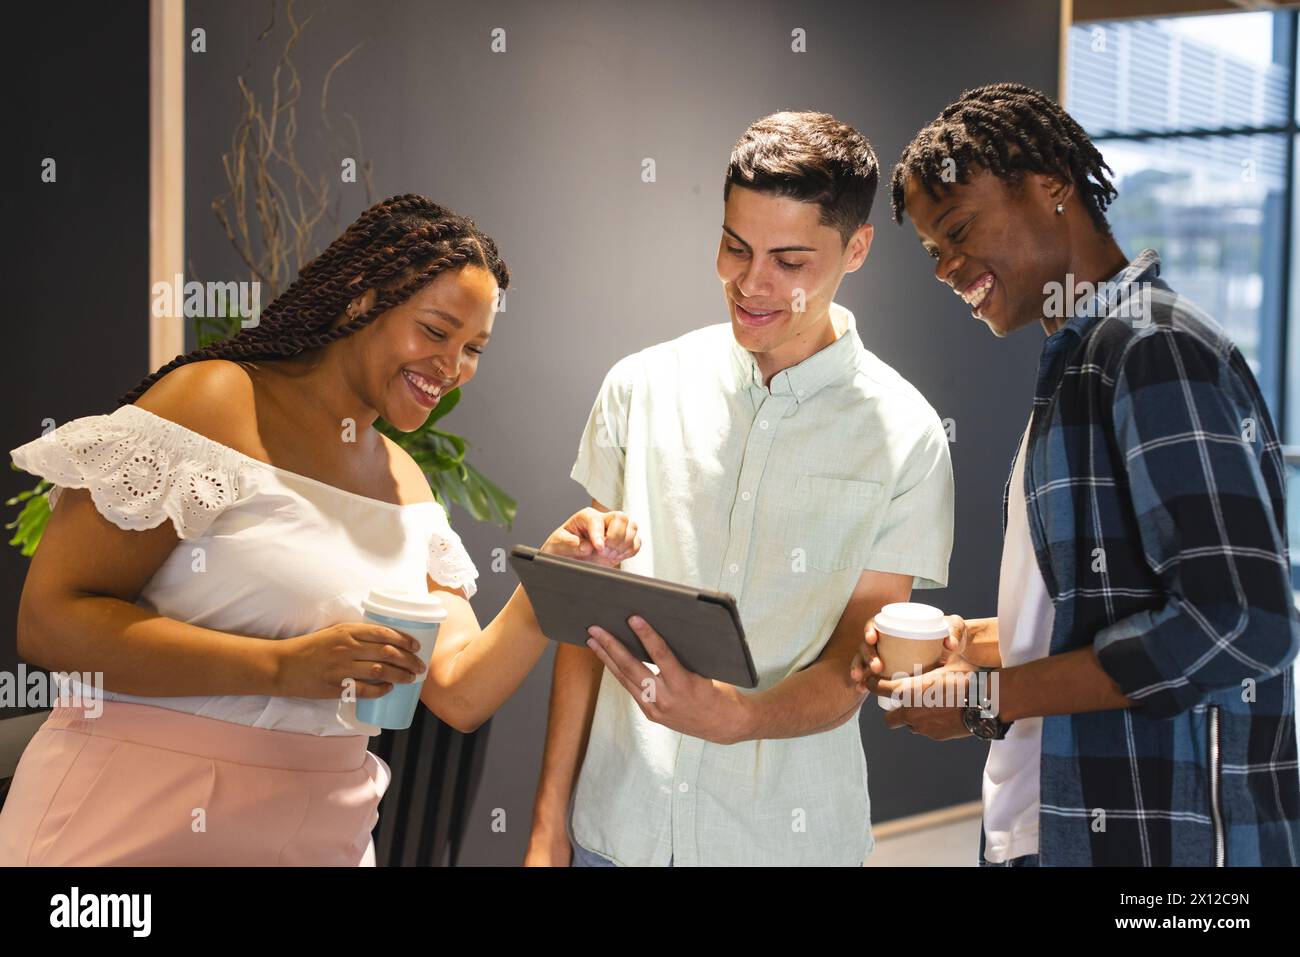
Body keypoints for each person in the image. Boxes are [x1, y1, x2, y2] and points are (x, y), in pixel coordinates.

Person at [0, 194, 640, 866]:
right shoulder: (214, 402)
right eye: (436, 331)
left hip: (319, 836)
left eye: (473, 347)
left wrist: (554, 580)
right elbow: (50, 622)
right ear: (364, 300)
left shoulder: (406, 484)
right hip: (130, 824)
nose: (452, 368)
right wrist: (282, 666)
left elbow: (457, 689)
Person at [855, 83, 1300, 866]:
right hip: (1050, 825)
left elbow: (1240, 621)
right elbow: (1097, 613)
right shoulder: (1078, 365)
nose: (946, 268)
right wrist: (973, 647)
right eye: (933, 251)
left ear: (1053, 183)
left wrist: (985, 700)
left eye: (957, 230)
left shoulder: (1153, 350)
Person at [526, 112, 956, 867]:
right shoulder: (641, 387)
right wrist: (547, 821)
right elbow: (585, 627)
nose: (752, 284)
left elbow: (854, 662)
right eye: (735, 247)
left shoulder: (908, 434)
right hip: (613, 832)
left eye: (790, 261)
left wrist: (741, 717)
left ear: (856, 248)